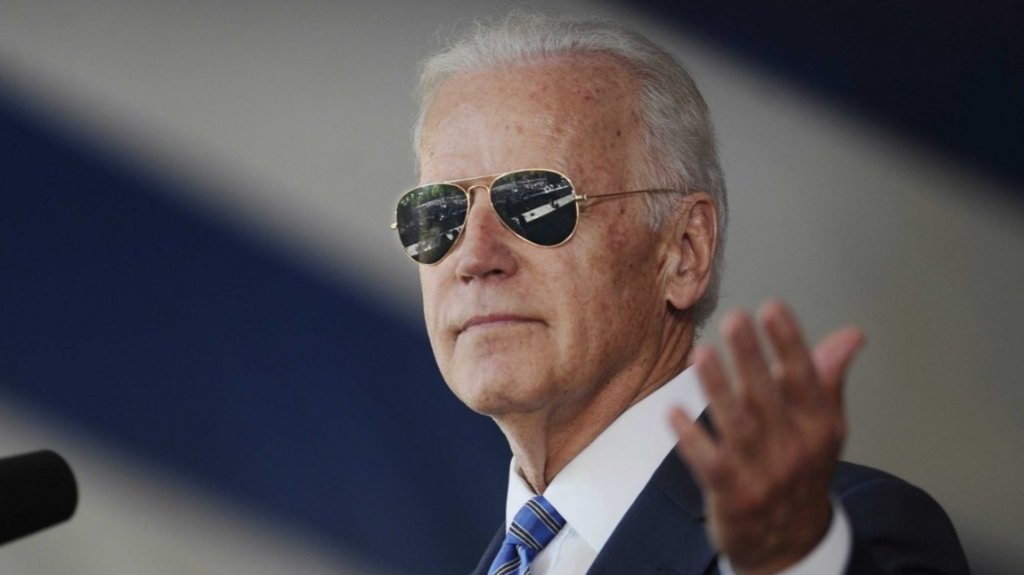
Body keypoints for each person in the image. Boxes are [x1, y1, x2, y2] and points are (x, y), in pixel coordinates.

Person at [391, 12, 970, 575]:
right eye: (438, 215)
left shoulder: (829, 539)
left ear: (684, 251)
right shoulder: (509, 559)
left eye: (537, 205)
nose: (475, 257)